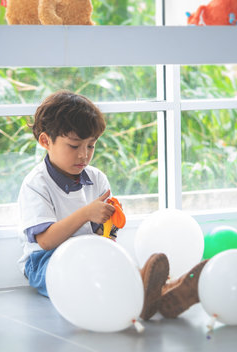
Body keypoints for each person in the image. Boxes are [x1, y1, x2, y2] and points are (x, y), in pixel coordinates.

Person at [17, 90, 207, 320]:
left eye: (91, 146)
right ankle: (150, 292)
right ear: (46, 141)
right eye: (74, 146)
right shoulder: (36, 184)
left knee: (111, 264)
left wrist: (108, 225)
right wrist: (86, 214)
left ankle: (162, 291)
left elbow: (104, 236)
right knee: (92, 274)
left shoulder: (97, 179)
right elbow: (45, 241)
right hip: (45, 262)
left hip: (89, 253)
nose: (84, 156)